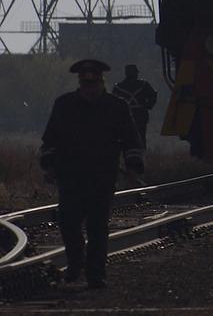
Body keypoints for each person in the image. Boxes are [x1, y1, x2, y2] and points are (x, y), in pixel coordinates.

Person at [39, 59, 145, 288]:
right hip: (70, 175)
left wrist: (134, 166)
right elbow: (50, 139)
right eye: (85, 85)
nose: (89, 89)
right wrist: (48, 163)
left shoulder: (117, 106)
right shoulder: (64, 105)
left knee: (97, 226)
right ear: (80, 83)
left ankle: (96, 274)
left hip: (102, 177)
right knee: (69, 224)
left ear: (101, 82)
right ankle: (76, 265)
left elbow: (131, 140)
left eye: (93, 84)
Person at [111, 64, 158, 149]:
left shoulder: (118, 87)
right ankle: (141, 154)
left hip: (124, 117)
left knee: (126, 137)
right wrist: (147, 106)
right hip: (140, 115)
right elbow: (153, 96)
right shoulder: (143, 85)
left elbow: (113, 103)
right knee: (140, 137)